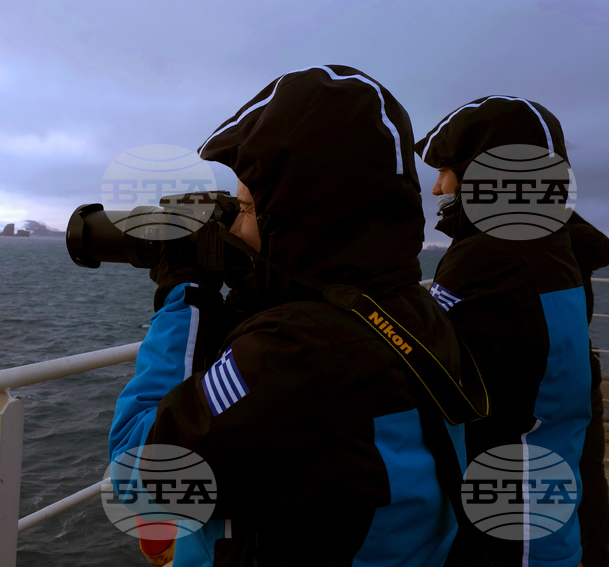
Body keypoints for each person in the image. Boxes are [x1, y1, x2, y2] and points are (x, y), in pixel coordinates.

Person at [109, 66, 477, 567]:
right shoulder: (414, 311)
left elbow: (138, 481)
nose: (234, 229)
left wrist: (186, 296)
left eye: (243, 208)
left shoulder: (294, 354)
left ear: (297, 213)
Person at [416, 96, 592, 567]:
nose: (436, 188)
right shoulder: (550, 246)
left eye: (447, 169)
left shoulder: (491, 261)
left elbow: (420, 366)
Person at [567, 211, 609, 567]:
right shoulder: (566, 236)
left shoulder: (526, 245)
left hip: (558, 378)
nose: (437, 188)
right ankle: (597, 556)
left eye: (446, 171)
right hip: (582, 366)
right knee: (588, 474)